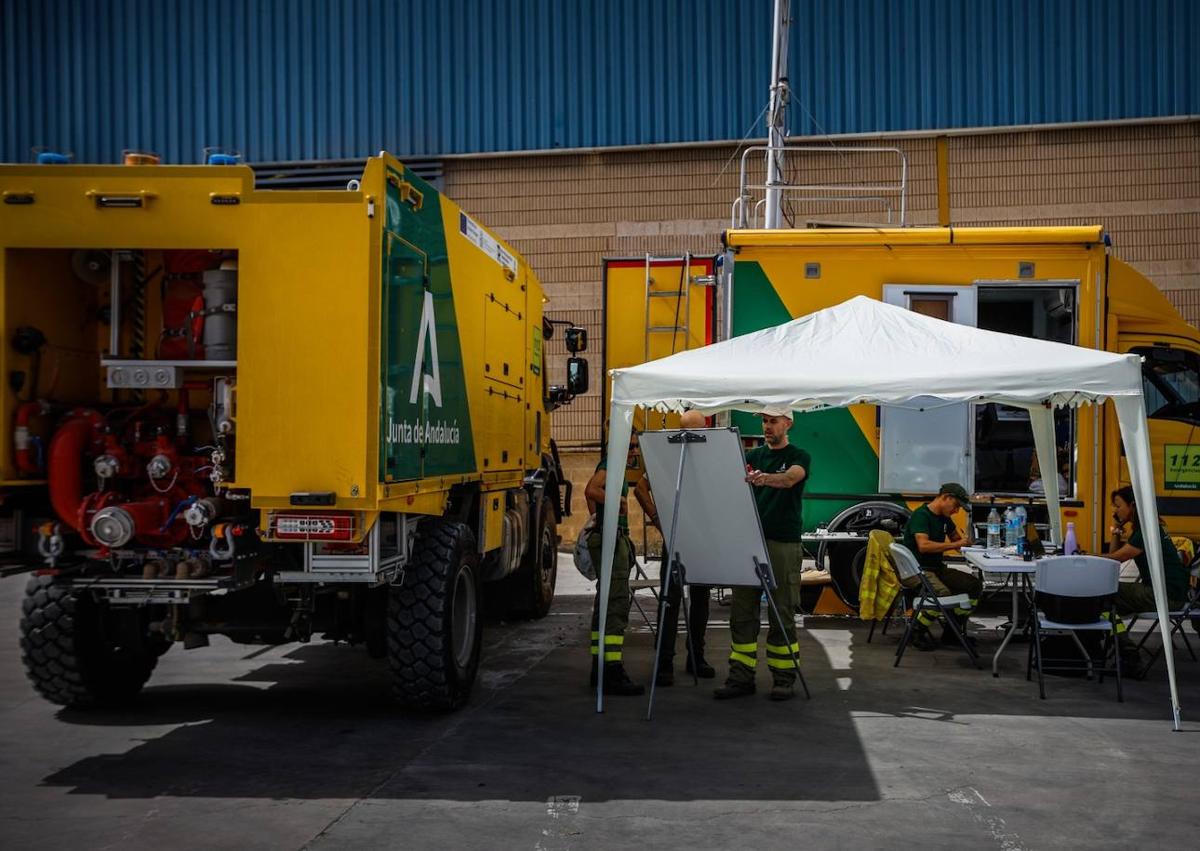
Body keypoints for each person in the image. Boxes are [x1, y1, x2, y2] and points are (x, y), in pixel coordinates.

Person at [714, 407, 810, 702]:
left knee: (781, 611)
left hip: (782, 542)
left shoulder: (799, 456)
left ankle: (784, 679)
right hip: (748, 542)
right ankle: (740, 677)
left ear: (788, 423)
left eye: (773, 421)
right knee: (742, 613)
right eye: (765, 422)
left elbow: (791, 479)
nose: (767, 427)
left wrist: (764, 479)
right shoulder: (752, 458)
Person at [633, 410, 714, 686]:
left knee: (697, 601)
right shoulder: (669, 456)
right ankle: (667, 661)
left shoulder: (709, 459)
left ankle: (693, 658)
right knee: (671, 600)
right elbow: (640, 489)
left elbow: (641, 489)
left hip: (700, 536)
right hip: (679, 536)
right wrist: (658, 519)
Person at [584, 431, 645, 696]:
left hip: (609, 535)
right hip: (610, 539)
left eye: (635, 446)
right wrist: (616, 502)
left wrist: (598, 517)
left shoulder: (613, 466)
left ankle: (599, 667)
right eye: (630, 446)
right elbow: (590, 490)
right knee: (617, 603)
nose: (634, 451)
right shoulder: (611, 465)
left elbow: (591, 496)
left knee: (605, 602)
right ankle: (612, 669)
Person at [1107, 485, 1190, 671]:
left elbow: (1117, 558)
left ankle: (1127, 651)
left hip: (1164, 596)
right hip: (1171, 593)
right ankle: (1123, 646)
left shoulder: (1145, 532)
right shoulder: (1150, 526)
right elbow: (1114, 556)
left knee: (1104, 593)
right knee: (1107, 602)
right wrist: (1117, 530)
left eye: (1118, 505)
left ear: (1133, 506)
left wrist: (1085, 557)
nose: (1115, 510)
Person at [900, 483, 982, 650]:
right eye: (956, 506)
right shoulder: (921, 516)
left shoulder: (944, 518)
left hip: (936, 568)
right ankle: (917, 631)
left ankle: (952, 633)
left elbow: (957, 540)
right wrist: (956, 544)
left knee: (973, 585)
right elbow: (924, 546)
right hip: (918, 570)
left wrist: (971, 544)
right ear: (946, 497)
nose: (956, 511)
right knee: (941, 593)